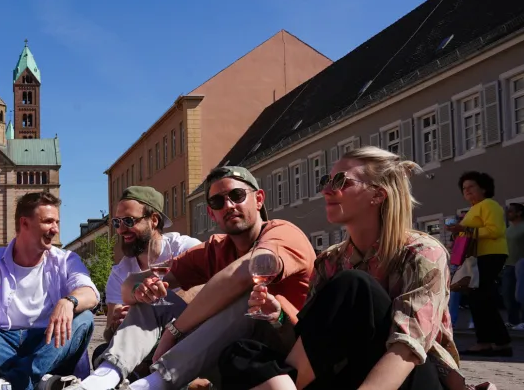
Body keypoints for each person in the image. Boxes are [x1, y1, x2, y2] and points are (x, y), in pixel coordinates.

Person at [220, 146, 466, 390]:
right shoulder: (330, 260)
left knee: (355, 286)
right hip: (351, 372)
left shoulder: (422, 253)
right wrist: (280, 318)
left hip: (409, 375)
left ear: (378, 194)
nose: (326, 190)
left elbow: (408, 348)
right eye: (326, 180)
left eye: (341, 181)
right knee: (238, 353)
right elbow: (311, 343)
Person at [71, 166, 315, 390]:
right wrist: (140, 290)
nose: (228, 205)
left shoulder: (283, 233)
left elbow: (241, 275)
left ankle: (149, 385)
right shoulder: (216, 248)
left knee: (247, 297)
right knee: (156, 298)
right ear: (211, 213)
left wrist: (174, 331)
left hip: (282, 351)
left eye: (237, 196)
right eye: (217, 201)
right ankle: (101, 380)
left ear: (259, 199)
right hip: (227, 352)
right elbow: (132, 283)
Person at [0, 192, 99, 390]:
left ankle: (11, 382)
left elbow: (90, 292)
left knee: (85, 318)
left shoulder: (65, 259)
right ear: (24, 223)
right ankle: (34, 381)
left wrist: (69, 301)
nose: (56, 229)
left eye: (57, 222)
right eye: (48, 222)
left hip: (48, 342)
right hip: (2, 341)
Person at [97, 187, 201, 375]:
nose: (121, 230)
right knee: (100, 351)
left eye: (129, 221)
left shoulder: (185, 248)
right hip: (143, 344)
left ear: (153, 220)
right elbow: (108, 334)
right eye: (117, 222)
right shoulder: (119, 273)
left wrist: (158, 304)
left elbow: (206, 292)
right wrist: (115, 323)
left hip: (186, 335)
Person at [446, 171, 511, 356]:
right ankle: (492, 341)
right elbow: (467, 234)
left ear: (483, 187)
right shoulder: (474, 209)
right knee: (479, 298)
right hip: (478, 256)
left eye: (471, 187)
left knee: (481, 298)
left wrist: (464, 229)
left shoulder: (489, 205)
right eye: (464, 188)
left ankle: (495, 341)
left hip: (490, 254)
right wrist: (456, 232)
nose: (467, 191)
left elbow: (495, 230)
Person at [507, 203, 524, 330]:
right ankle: (513, 321)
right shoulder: (508, 229)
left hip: (521, 264)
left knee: (521, 294)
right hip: (509, 265)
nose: (508, 213)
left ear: (519, 213)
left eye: (511, 211)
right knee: (508, 294)